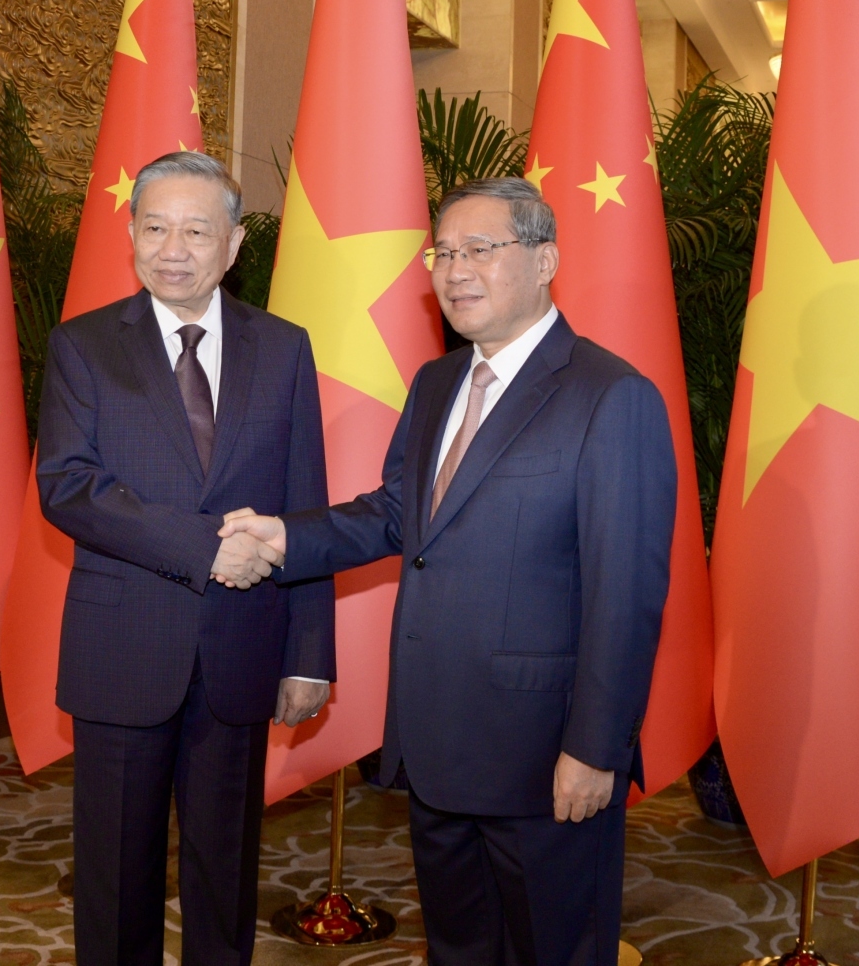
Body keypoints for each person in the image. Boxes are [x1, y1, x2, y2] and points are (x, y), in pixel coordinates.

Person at [217, 177, 676, 966]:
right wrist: (286, 537)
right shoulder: (438, 383)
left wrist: (596, 749)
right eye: (444, 253)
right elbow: (399, 516)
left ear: (544, 261)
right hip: (435, 746)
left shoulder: (611, 396)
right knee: (460, 949)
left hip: (543, 758)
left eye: (480, 250)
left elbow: (626, 595)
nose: (455, 271)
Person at [36, 151, 335, 966]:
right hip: (123, 650)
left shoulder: (284, 349)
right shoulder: (84, 346)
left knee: (225, 875)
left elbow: (306, 502)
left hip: (242, 650)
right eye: (155, 227)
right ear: (131, 234)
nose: (173, 249)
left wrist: (309, 652)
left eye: (196, 231)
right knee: (114, 878)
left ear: (232, 245)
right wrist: (209, 549)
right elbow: (68, 488)